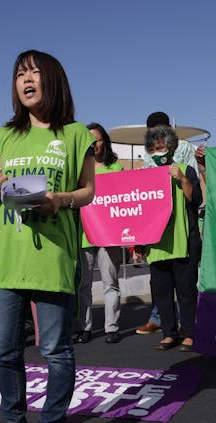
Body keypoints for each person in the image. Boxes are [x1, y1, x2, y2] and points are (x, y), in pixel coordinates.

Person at [0, 49, 95, 423]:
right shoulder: (3, 135)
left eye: (33, 72)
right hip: (9, 259)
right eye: (19, 74)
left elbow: (88, 192)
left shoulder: (77, 133)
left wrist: (59, 199)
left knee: (56, 351)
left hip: (53, 257)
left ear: (52, 79)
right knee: (5, 350)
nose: (25, 79)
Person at [135, 125, 202, 353]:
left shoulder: (187, 170)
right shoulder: (146, 177)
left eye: (161, 148)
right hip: (157, 245)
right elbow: (141, 213)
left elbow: (195, 201)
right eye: (153, 150)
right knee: (162, 293)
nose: (157, 153)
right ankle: (169, 334)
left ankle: (190, 333)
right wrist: (140, 245)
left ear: (171, 148)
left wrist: (182, 179)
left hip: (184, 244)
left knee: (186, 291)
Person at [75, 122, 125, 345]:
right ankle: (84, 327)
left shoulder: (116, 169)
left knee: (110, 282)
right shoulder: (77, 170)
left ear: (105, 141)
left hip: (110, 235)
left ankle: (111, 327)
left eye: (98, 139)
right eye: (90, 140)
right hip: (84, 233)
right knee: (83, 284)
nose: (94, 144)